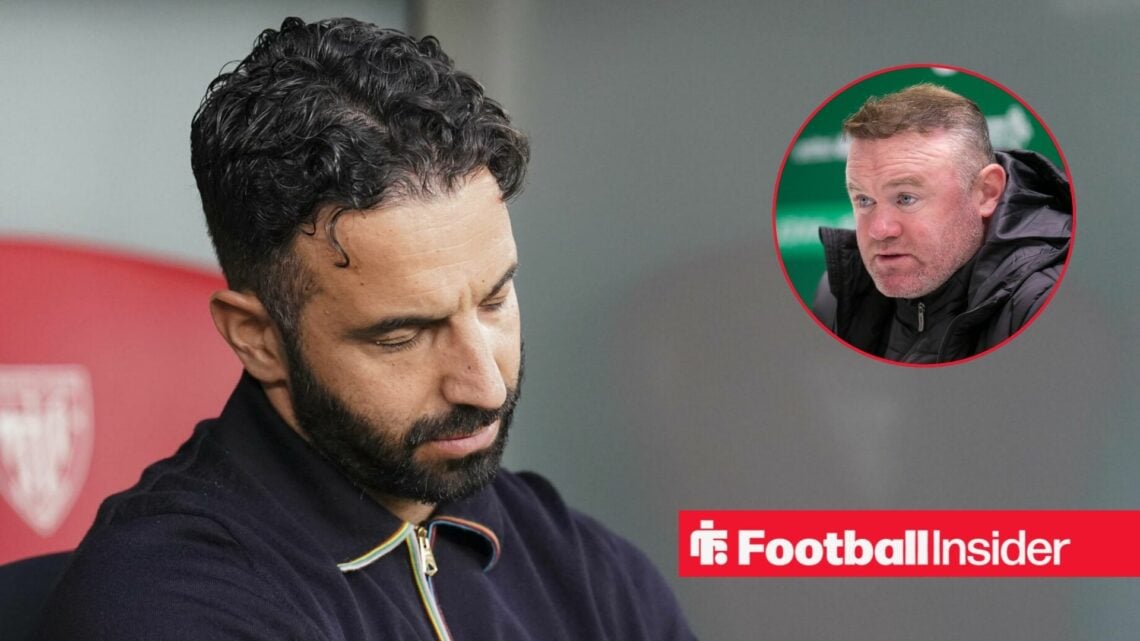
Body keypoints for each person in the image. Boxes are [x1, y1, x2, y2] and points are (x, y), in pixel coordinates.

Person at [36, 17, 696, 640]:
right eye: (402, 335)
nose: (484, 383)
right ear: (257, 337)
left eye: (494, 301)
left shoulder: (585, 571)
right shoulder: (164, 600)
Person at [812, 83, 1072, 364]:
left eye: (906, 198)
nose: (879, 230)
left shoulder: (1043, 305)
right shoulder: (838, 293)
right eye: (864, 200)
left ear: (986, 192)